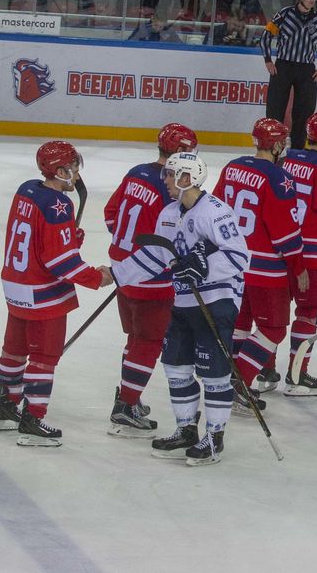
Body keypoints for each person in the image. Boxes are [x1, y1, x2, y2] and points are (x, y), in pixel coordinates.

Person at [119, 150, 250, 466]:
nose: (165, 179)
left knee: (214, 374)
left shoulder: (215, 212)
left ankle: (214, 437)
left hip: (216, 302)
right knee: (176, 367)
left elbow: (238, 257)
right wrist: (117, 274)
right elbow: (155, 256)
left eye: (170, 174)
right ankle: (186, 430)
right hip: (182, 301)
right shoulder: (168, 213)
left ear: (188, 178)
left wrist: (204, 268)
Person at [0, 141, 112, 447]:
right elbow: (60, 262)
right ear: (60, 171)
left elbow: (37, 240)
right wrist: (97, 277)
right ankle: (32, 420)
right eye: (72, 168)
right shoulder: (59, 204)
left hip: (15, 285)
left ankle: (6, 407)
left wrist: (69, 238)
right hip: (43, 293)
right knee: (44, 357)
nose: (77, 174)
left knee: (14, 350)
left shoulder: (26, 190)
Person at [101, 122, 198, 436]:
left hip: (122, 266)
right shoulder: (172, 188)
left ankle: (130, 394)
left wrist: (126, 250)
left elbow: (111, 213)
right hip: (150, 275)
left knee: (135, 336)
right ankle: (126, 404)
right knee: (148, 340)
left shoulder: (136, 173)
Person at [213, 119, 307, 407]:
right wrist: (298, 267)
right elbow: (285, 232)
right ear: (276, 144)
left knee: (240, 323)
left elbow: (213, 209)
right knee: (274, 328)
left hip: (232, 264)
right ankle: (239, 380)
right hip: (266, 269)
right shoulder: (278, 178)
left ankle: (228, 379)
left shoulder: (232, 167)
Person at [278, 112, 317, 393]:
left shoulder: (286, 158)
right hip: (311, 251)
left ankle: (266, 370)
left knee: (273, 315)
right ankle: (297, 374)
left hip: (280, 247)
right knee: (307, 311)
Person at [261, 0, 317, 148]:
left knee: (304, 112)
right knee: (275, 109)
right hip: (283, 66)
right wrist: (268, 60)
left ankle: (298, 149)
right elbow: (266, 36)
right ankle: (271, 146)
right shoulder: (285, 14)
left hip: (306, 69)